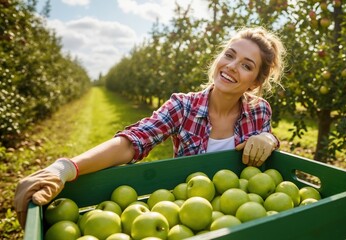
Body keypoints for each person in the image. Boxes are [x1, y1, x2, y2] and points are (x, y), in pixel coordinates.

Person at [14, 26, 286, 227]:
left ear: (254, 83)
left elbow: (265, 154)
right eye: (229, 55)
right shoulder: (183, 106)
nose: (232, 66)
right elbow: (133, 141)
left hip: (243, 220)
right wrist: (64, 168)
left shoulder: (259, 111)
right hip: (184, 217)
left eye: (247, 65)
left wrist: (269, 139)